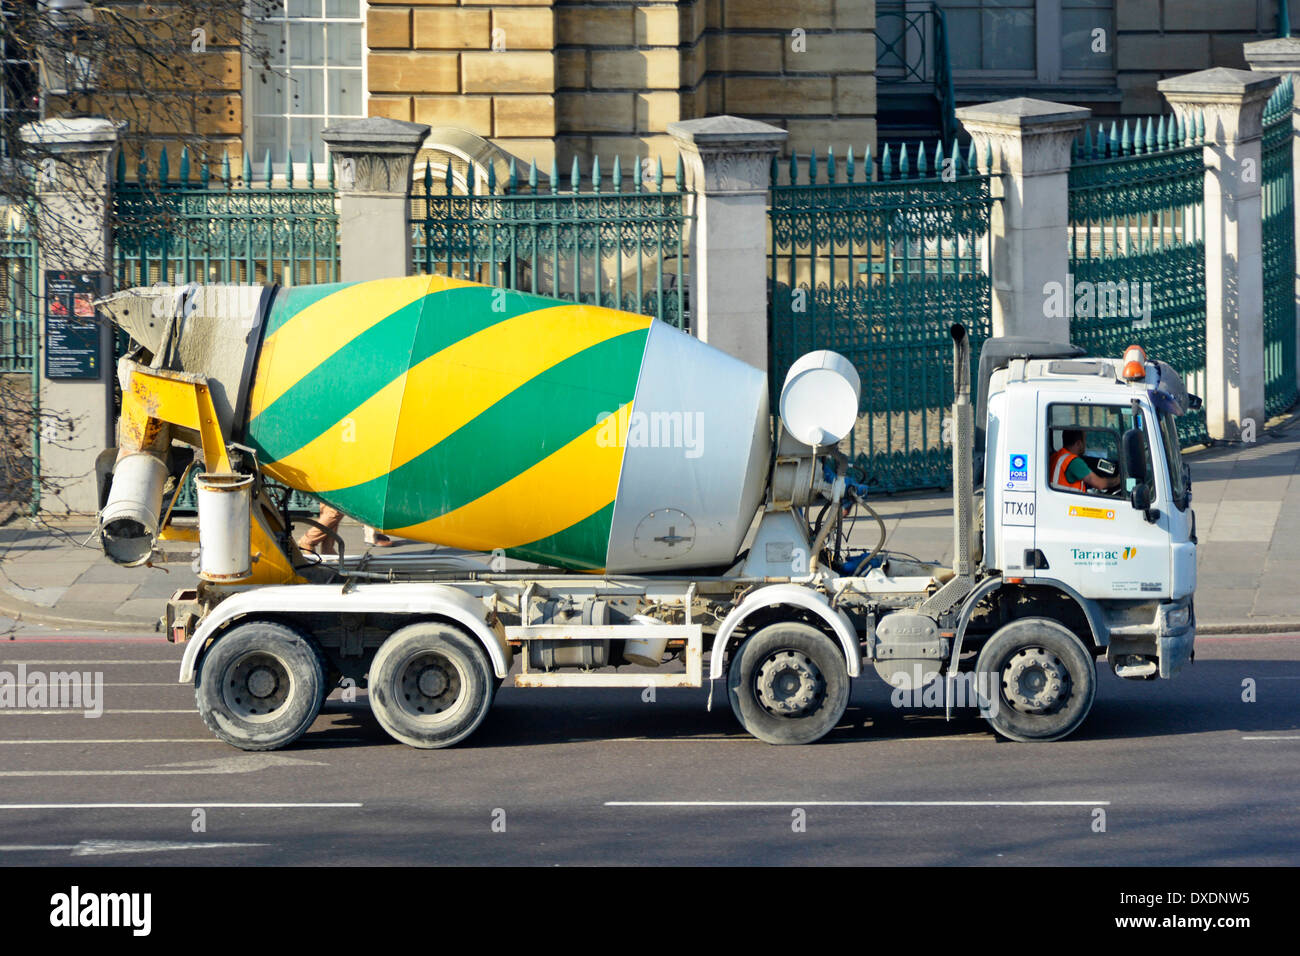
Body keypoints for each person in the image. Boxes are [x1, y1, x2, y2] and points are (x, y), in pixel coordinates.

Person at [1050, 428, 1121, 493]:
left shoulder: (1057, 456)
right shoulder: (1074, 462)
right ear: (1078, 443)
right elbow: (1099, 484)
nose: (1085, 444)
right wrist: (1118, 480)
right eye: (1085, 440)